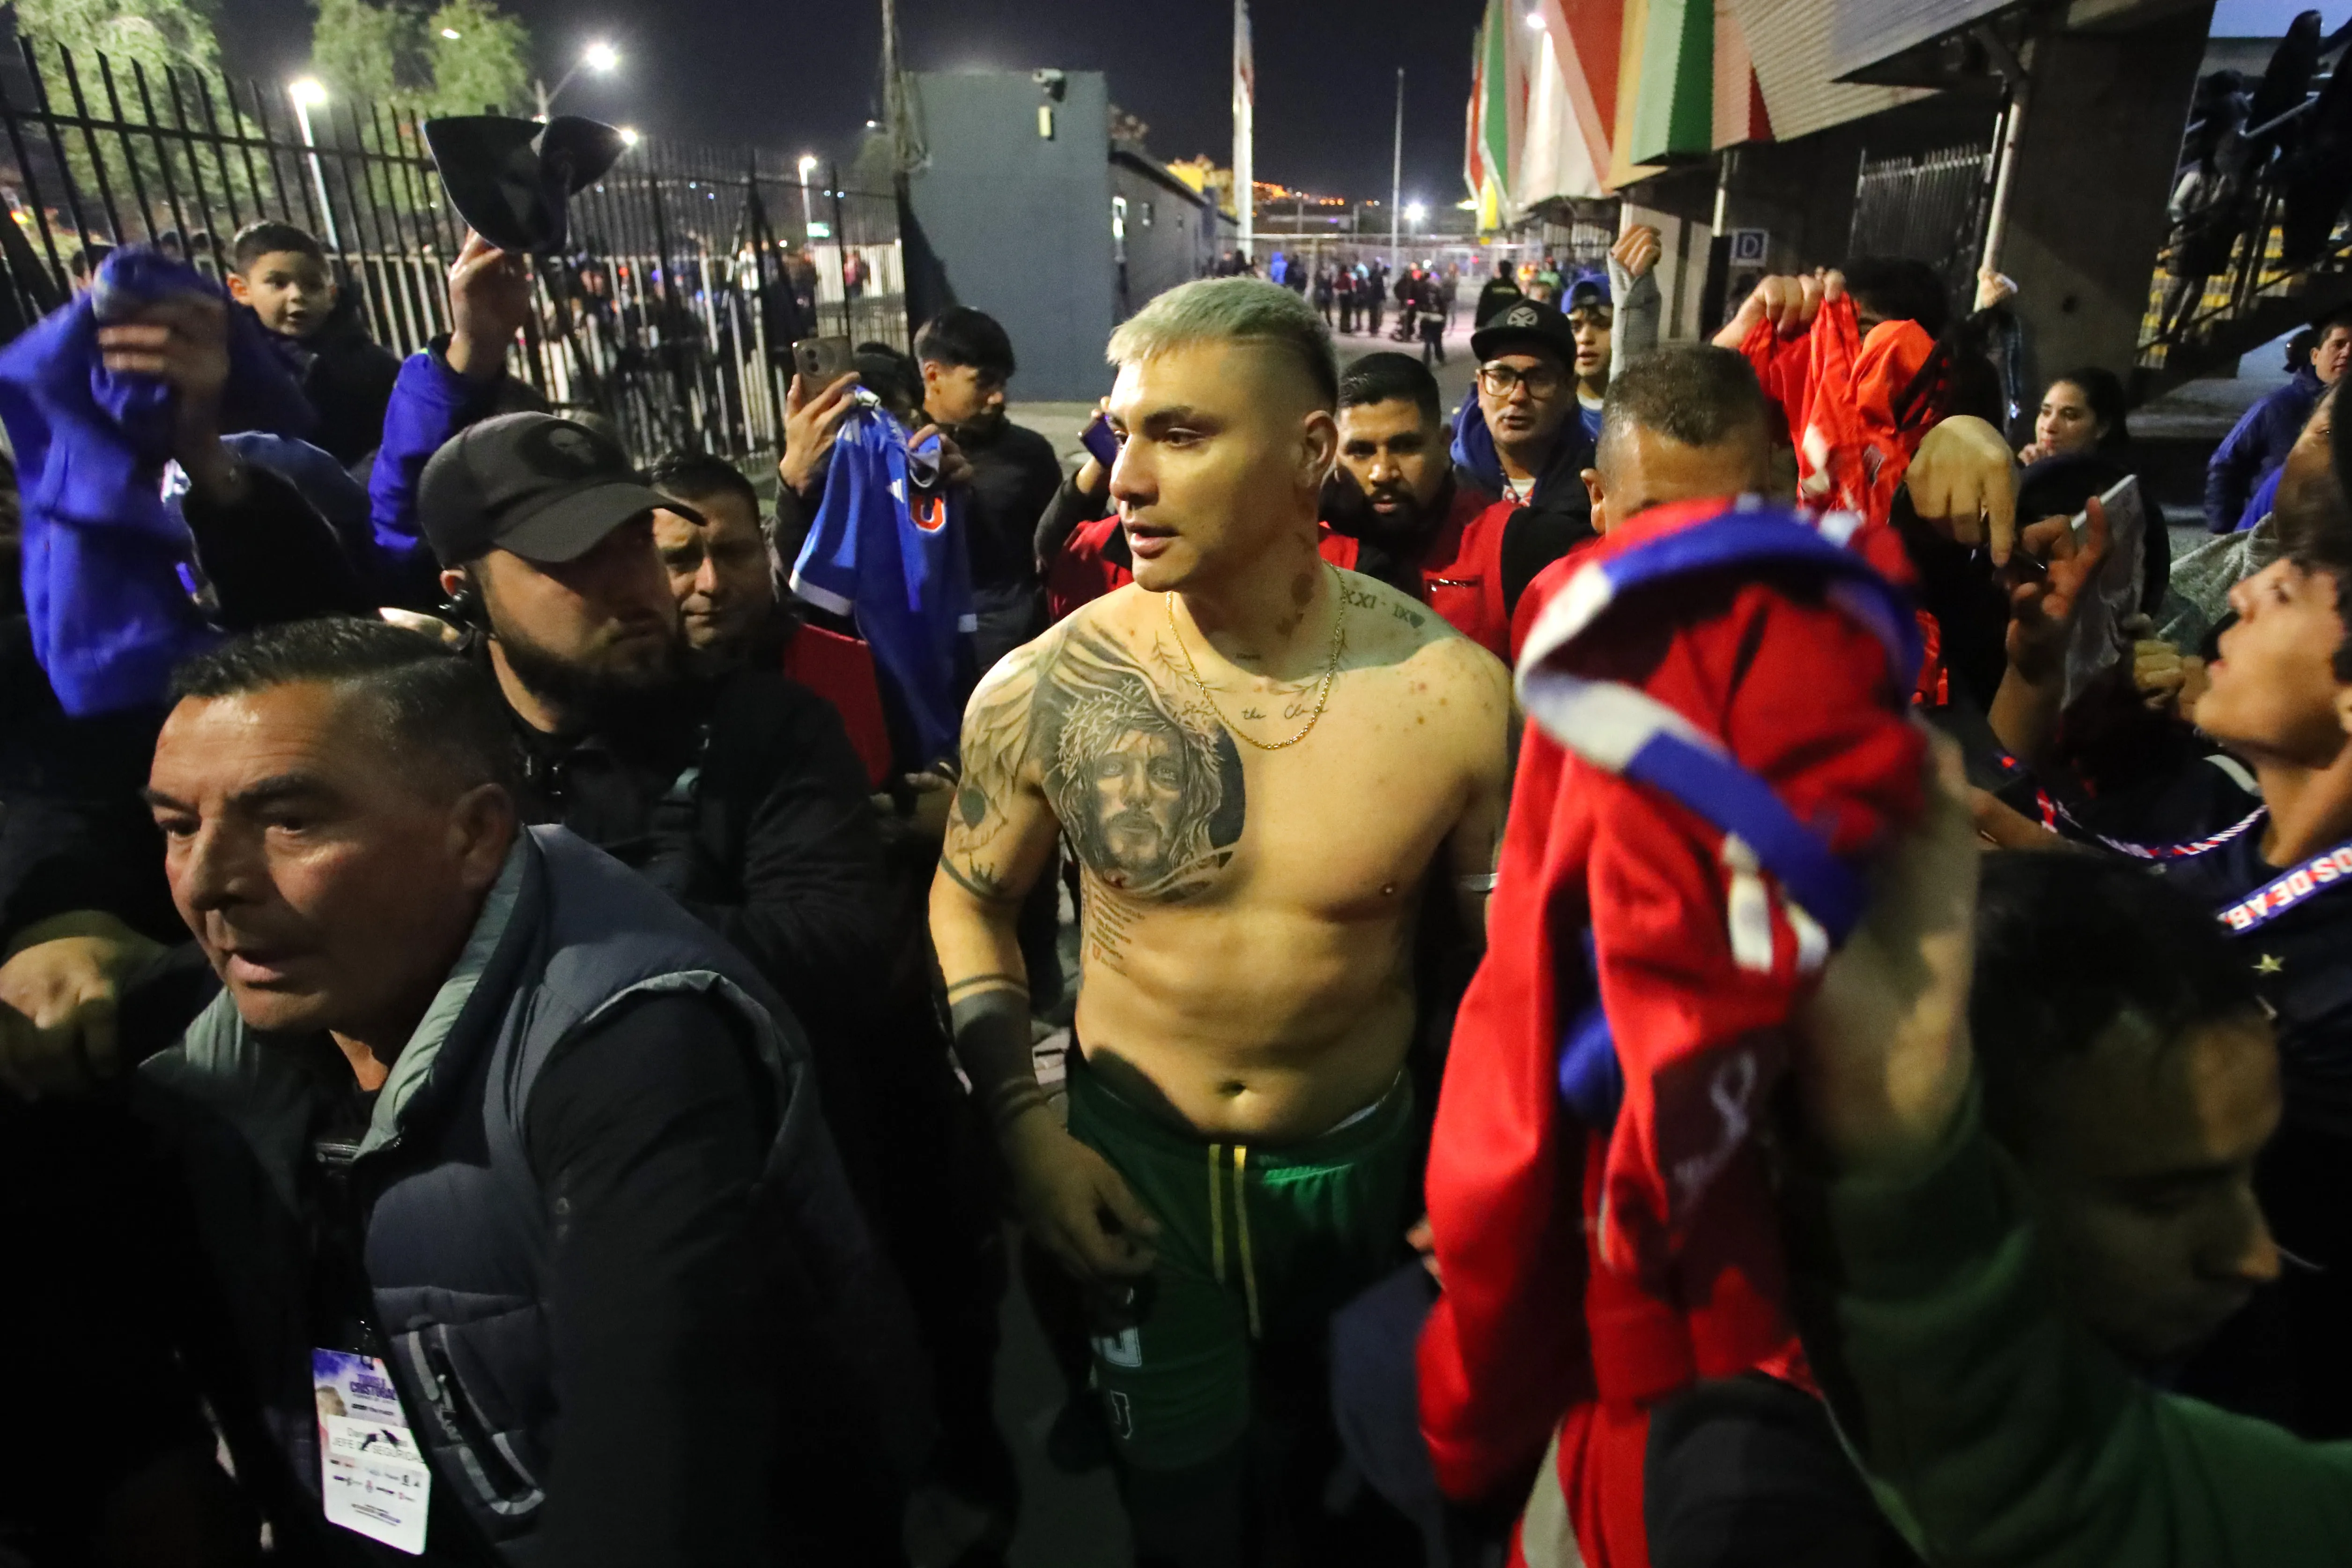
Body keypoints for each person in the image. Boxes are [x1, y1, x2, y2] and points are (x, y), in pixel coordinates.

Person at [128, 615, 921, 1565]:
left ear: (476, 834)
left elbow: (654, 1496)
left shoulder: (635, 1051)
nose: (210, 881)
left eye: (291, 820)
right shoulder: (189, 1059)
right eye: (179, 828)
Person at [930, 277, 1512, 1568]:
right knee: (1178, 1520)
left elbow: (1499, 971)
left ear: (1310, 451)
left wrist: (1481, 1161)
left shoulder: (1450, 697)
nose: (1123, 476)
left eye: (1179, 436)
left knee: (1353, 1500)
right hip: (1137, 1172)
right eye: (1119, 431)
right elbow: (971, 897)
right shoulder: (1044, 690)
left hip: (1368, 1178)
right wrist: (1025, 1129)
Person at [1783, 739, 2352, 1566]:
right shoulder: (1770, 1495)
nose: (2254, 1256)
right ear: (1965, 1170)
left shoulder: (2253, 1361)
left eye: (2245, 1175)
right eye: (2162, 1199)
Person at [1325, 351, 1577, 659]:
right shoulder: (1301, 552)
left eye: (1406, 447)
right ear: (1333, 454)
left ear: (1444, 443)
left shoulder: (1513, 545)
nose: (1383, 473)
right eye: (1361, 452)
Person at [916, 305, 1062, 676]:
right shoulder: (899, 456)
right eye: (984, 383)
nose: (998, 397)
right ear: (934, 376)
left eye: (1003, 383)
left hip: (1021, 654)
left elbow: (1060, 550)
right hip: (929, 656)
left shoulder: (1030, 454)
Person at [227, 221, 400, 467]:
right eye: (278, 283)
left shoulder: (374, 367)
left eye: (313, 285)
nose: (297, 295)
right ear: (241, 289)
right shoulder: (227, 364)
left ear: (331, 296)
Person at [2206, 307, 2352, 534]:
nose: (2347, 353)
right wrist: (2224, 533)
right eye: (2339, 344)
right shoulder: (2276, 407)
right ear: (2315, 355)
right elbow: (2225, 465)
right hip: (2270, 536)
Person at [646, 451, 780, 667]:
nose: (712, 584)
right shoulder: (606, 694)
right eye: (680, 561)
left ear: (766, 551)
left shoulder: (839, 673)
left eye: (734, 553)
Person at [1473, 257, 1521, 328]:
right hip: (1510, 325)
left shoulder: (1491, 286)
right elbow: (1520, 306)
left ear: (1499, 270)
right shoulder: (1515, 288)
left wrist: (1479, 323)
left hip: (1493, 324)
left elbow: (1483, 306)